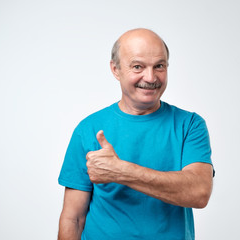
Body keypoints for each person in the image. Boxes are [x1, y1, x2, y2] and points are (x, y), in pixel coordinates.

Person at [57, 28, 214, 240]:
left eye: (159, 66)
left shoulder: (189, 125)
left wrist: (121, 171)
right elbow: (73, 219)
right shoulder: (89, 129)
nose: (150, 77)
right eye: (138, 66)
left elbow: (199, 193)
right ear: (115, 69)